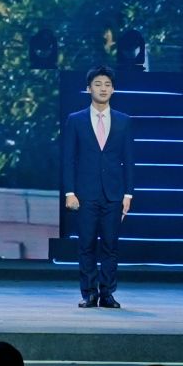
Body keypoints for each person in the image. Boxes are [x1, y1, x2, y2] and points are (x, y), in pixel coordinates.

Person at [60, 67, 136, 309]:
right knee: (87, 245)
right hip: (85, 194)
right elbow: (68, 159)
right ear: (88, 88)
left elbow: (129, 160)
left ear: (113, 89)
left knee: (111, 245)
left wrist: (128, 194)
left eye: (107, 84)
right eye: (98, 84)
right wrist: (70, 192)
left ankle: (108, 294)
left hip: (113, 193)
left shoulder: (123, 121)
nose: (103, 88)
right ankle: (89, 294)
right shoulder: (76, 120)